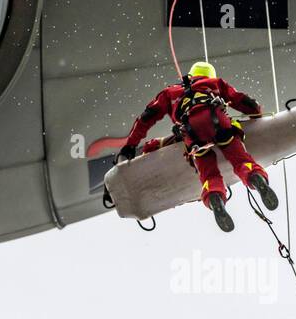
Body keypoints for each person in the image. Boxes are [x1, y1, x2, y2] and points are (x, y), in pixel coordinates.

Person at [117, 61, 278, 231]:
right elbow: (244, 101)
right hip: (218, 121)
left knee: (207, 171)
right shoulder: (214, 83)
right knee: (239, 158)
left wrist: (130, 145)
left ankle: (215, 195)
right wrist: (256, 114)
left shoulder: (169, 93)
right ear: (209, 75)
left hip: (191, 132)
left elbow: (146, 118)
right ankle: (254, 177)